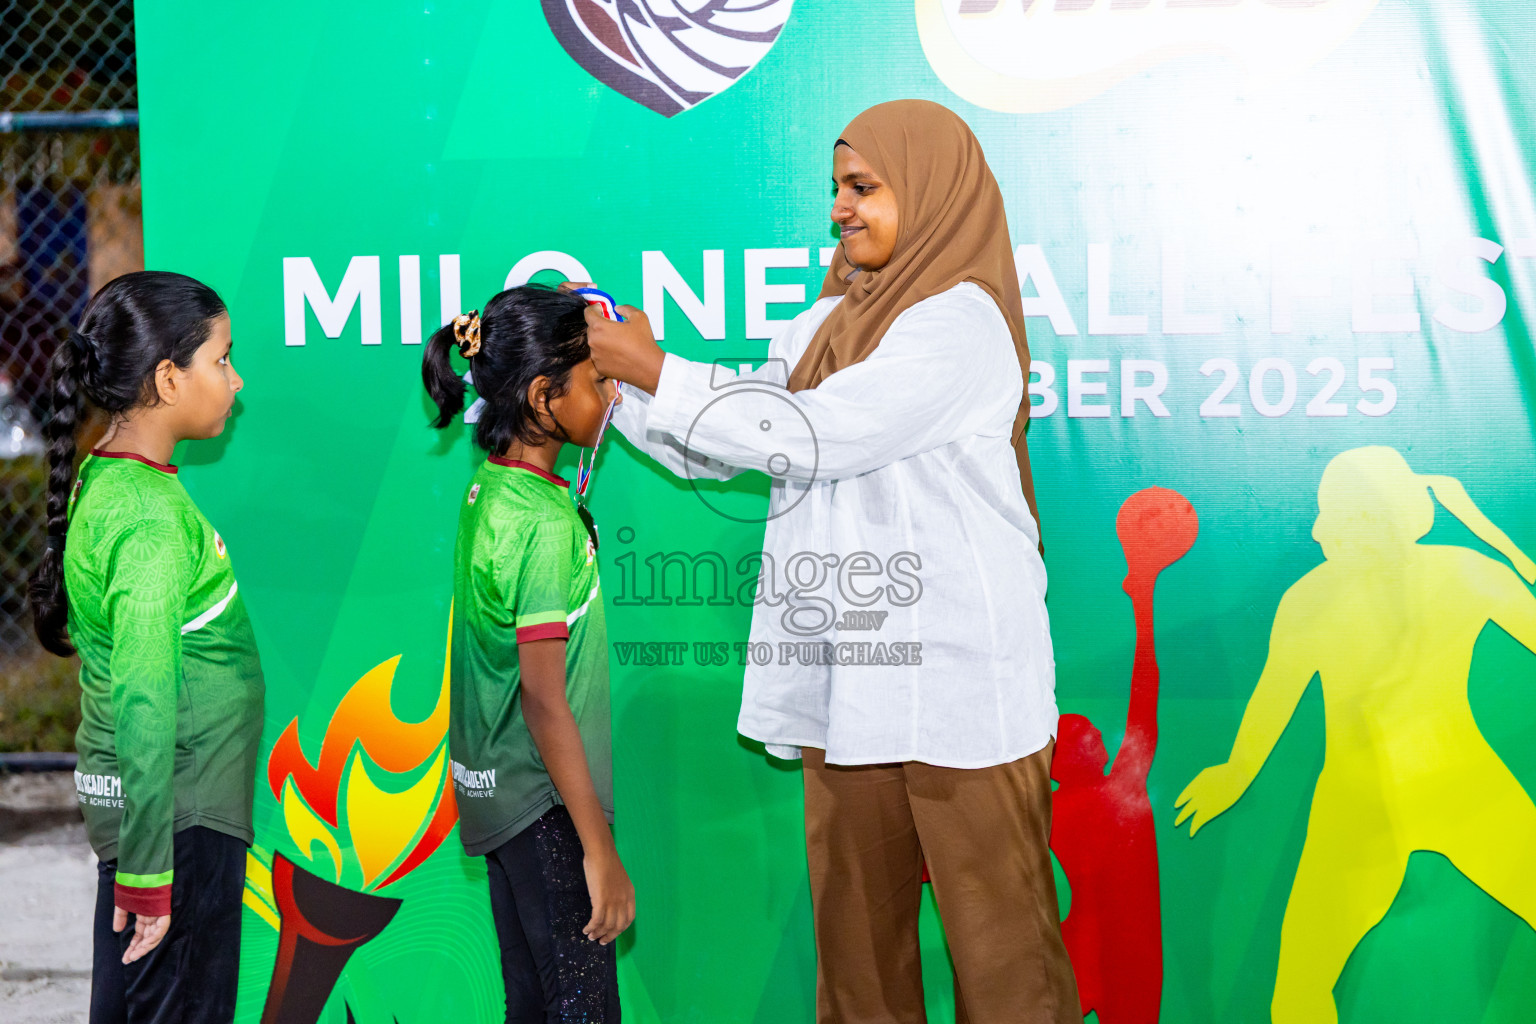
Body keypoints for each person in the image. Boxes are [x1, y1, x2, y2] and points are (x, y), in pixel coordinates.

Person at [576, 99, 1079, 1023]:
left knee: (1005, 962)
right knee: (857, 966)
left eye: (864, 187)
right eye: (835, 191)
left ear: (931, 194)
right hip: (854, 689)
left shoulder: (962, 325)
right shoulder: (822, 325)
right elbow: (744, 434)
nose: (842, 209)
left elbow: (822, 434)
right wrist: (627, 387)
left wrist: (656, 372)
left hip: (962, 692)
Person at [1175, 446, 1536, 1024]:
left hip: (1456, 791)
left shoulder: (1462, 574)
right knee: (1297, 990)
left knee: (1297, 990)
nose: (1328, 530)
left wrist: (1514, 558)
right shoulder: (1315, 599)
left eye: (1349, 515)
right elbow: (1276, 695)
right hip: (1365, 807)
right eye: (1331, 514)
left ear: (1393, 517)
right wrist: (1237, 771)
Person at [28, 270, 264, 1024]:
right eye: (222, 360)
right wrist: (150, 877)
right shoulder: (151, 521)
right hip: (176, 826)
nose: (235, 378)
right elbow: (144, 696)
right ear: (168, 377)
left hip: (159, 820)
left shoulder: (112, 477)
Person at [421, 284, 633, 1023]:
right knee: (578, 1008)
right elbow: (543, 700)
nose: (611, 395)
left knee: (535, 1007)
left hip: (505, 803)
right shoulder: (544, 523)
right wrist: (596, 847)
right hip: (549, 810)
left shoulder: (491, 492)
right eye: (597, 380)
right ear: (544, 398)